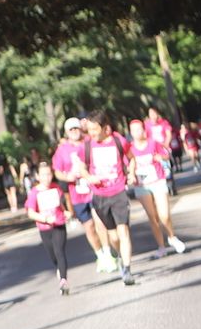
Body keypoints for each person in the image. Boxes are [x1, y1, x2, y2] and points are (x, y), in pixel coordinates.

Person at [77, 111, 137, 285]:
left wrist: (131, 174)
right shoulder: (87, 146)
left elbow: (131, 159)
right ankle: (119, 256)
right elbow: (82, 168)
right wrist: (90, 178)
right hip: (100, 196)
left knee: (123, 231)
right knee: (114, 237)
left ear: (106, 128)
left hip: (118, 192)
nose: (92, 133)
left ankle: (127, 268)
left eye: (95, 129)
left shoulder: (119, 141)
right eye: (89, 130)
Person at [52, 117, 115, 273]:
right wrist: (68, 177)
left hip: (95, 189)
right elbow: (57, 171)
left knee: (100, 221)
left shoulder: (90, 142)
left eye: (76, 128)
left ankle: (108, 254)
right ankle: (99, 255)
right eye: (71, 130)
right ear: (67, 132)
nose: (74, 132)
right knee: (89, 227)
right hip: (77, 194)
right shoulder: (62, 150)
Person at [126, 117, 187, 256]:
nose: (137, 132)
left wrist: (161, 158)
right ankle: (161, 247)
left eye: (139, 129)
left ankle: (172, 237)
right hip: (141, 185)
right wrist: (131, 175)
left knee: (164, 215)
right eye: (133, 130)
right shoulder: (129, 149)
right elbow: (127, 164)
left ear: (144, 130)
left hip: (158, 181)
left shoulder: (153, 143)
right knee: (152, 217)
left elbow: (166, 155)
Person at [24, 161, 70, 295]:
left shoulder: (56, 188)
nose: (47, 177)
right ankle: (59, 269)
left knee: (59, 251)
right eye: (43, 175)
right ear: (38, 176)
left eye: (49, 174)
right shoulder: (34, 193)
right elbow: (31, 213)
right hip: (44, 228)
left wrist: (66, 211)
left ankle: (63, 280)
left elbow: (62, 205)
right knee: (53, 255)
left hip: (59, 224)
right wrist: (45, 219)